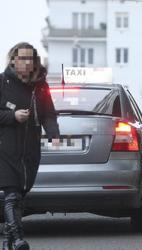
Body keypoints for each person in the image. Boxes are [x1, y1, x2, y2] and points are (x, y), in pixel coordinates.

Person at [0, 42, 59, 250]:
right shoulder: (2, 82)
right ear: (13, 60)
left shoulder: (40, 86)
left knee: (20, 195)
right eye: (22, 58)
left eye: (30, 59)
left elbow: (48, 114)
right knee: (12, 194)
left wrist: (54, 134)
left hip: (30, 149)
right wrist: (12, 116)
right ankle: (18, 239)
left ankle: (7, 242)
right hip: (5, 148)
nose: (26, 62)